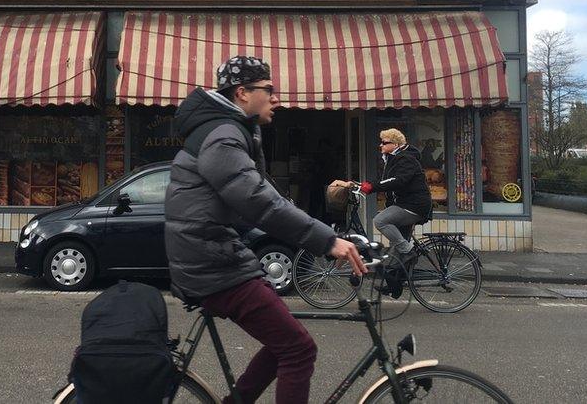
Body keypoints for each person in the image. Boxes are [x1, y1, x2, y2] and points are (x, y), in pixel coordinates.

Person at [165, 55, 366, 404]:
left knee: (285, 343)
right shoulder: (223, 135)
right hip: (210, 263)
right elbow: (259, 203)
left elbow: (270, 197)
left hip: (213, 254)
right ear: (242, 92)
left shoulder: (230, 130)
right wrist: (326, 240)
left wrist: (325, 233)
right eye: (268, 89)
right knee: (299, 349)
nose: (276, 98)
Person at [330, 128, 432, 293]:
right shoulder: (394, 158)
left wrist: (371, 187)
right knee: (394, 248)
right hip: (405, 203)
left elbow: (397, 181)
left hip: (415, 205)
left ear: (396, 144)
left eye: (384, 142)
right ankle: (395, 285)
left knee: (381, 220)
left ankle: (408, 252)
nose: (381, 145)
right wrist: (361, 185)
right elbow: (387, 182)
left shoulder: (406, 159)